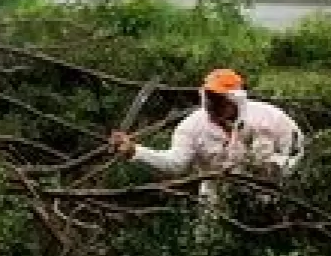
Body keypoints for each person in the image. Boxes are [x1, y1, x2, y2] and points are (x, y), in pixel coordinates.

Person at [110, 68, 305, 202]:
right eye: (210, 98)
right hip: (215, 203)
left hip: (265, 199)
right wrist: (134, 151)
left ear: (234, 100)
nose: (213, 104)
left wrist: (277, 169)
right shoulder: (191, 127)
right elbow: (175, 165)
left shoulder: (271, 118)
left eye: (219, 99)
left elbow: (296, 150)